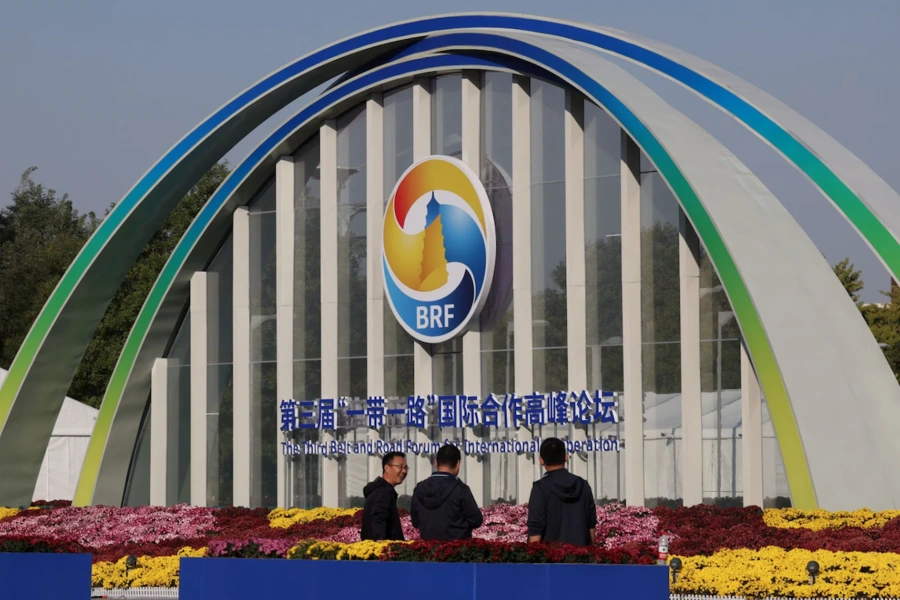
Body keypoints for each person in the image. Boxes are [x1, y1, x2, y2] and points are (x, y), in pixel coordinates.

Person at [527, 437, 597, 546]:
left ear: (541, 461)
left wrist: (532, 556)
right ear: (565, 457)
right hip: (582, 557)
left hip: (551, 558)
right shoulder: (583, 485)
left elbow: (535, 528)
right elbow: (591, 525)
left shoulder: (540, 488)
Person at [410, 444, 483, 540]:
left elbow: (415, 521)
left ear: (436, 462)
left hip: (428, 550)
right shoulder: (461, 489)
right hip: (457, 550)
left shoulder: (420, 488)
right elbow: (476, 520)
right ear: (458, 464)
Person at [360, 451, 408, 541]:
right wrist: (381, 545)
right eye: (400, 467)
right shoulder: (383, 492)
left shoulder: (382, 490)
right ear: (387, 468)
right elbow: (378, 519)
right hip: (383, 551)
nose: (404, 471)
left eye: (405, 467)